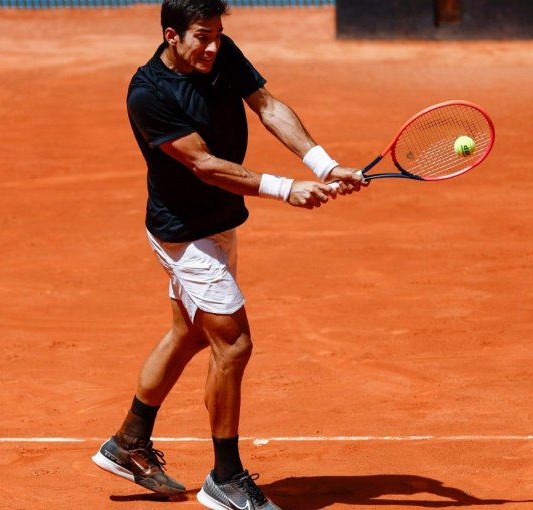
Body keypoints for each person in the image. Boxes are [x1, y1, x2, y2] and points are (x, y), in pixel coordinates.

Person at [90, 1, 364, 509]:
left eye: (218, 34)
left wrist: (325, 165)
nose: (213, 46)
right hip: (185, 234)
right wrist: (287, 189)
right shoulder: (148, 94)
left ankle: (127, 443)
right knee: (233, 344)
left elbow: (268, 105)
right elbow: (204, 164)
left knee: (190, 332)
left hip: (217, 223)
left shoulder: (218, 55)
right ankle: (226, 478)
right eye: (201, 37)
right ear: (172, 36)